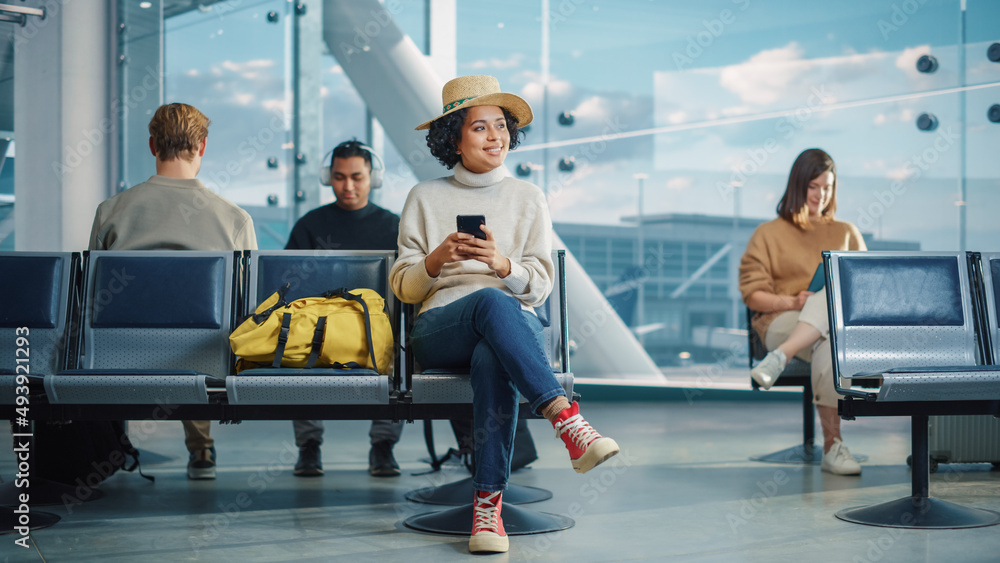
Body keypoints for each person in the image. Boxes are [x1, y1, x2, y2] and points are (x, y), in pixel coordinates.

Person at [390, 75, 620, 554]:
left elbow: (539, 285)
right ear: (454, 137)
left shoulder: (528, 198)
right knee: (493, 303)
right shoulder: (424, 197)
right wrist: (435, 261)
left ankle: (487, 509)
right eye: (480, 127)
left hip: (508, 329)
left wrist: (501, 264)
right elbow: (403, 287)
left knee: (494, 351)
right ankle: (567, 419)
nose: (496, 137)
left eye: (501, 126)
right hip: (440, 327)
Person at [89, 103, 258, 480]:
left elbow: (93, 296)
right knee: (203, 333)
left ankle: (113, 447)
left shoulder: (111, 211)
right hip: (205, 359)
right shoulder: (233, 218)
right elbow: (248, 304)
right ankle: (201, 450)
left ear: (152, 145)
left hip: (118, 355)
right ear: (202, 146)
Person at [738, 148, 866, 476]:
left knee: (828, 331)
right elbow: (753, 295)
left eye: (827, 187)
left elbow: (862, 287)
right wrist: (794, 302)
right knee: (825, 314)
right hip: (781, 321)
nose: (821, 195)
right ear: (798, 185)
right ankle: (833, 446)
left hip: (830, 329)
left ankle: (781, 358)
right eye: (813, 186)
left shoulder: (846, 232)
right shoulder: (768, 233)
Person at [285, 139, 405, 478]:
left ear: (373, 178)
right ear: (328, 178)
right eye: (339, 177)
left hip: (378, 325)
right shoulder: (310, 226)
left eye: (357, 177)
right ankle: (309, 446)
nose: (348, 186)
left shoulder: (394, 226)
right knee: (297, 346)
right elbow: (289, 284)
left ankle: (383, 445)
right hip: (320, 324)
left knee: (398, 344)